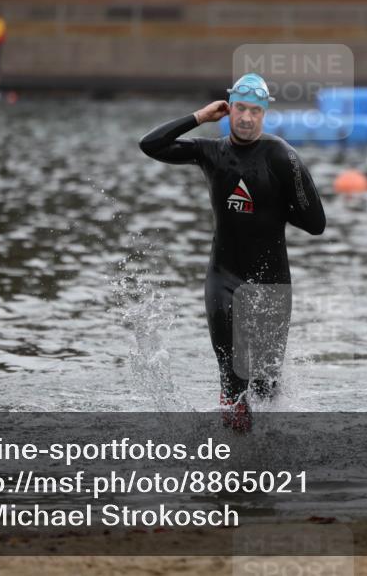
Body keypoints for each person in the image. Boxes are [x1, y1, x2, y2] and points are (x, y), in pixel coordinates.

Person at [139, 73, 326, 432]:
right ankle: (231, 462)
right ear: (228, 109)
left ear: (264, 114)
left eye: (255, 111)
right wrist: (198, 118)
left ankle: (263, 464)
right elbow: (150, 145)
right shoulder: (211, 153)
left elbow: (316, 224)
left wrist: (272, 205)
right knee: (232, 376)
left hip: (271, 286)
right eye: (240, 108)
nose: (246, 117)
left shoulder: (282, 156)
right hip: (223, 279)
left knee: (266, 387)